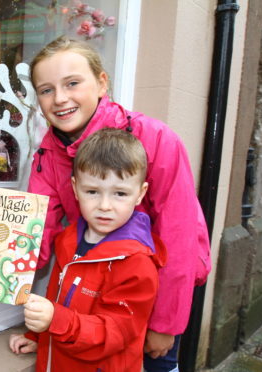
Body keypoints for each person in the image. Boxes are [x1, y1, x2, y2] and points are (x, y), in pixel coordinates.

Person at [18, 36, 212, 371]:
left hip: (150, 297)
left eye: (72, 83)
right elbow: (34, 236)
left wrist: (164, 324)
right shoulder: (48, 155)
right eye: (46, 90)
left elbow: (179, 235)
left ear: (101, 83)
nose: (60, 98)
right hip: (88, 298)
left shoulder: (155, 138)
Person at [9, 128, 167, 371]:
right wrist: (40, 336)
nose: (105, 206)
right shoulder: (68, 240)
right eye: (92, 191)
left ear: (140, 194)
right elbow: (59, 298)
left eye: (120, 194)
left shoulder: (137, 264)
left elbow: (113, 333)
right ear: (75, 188)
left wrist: (54, 321)